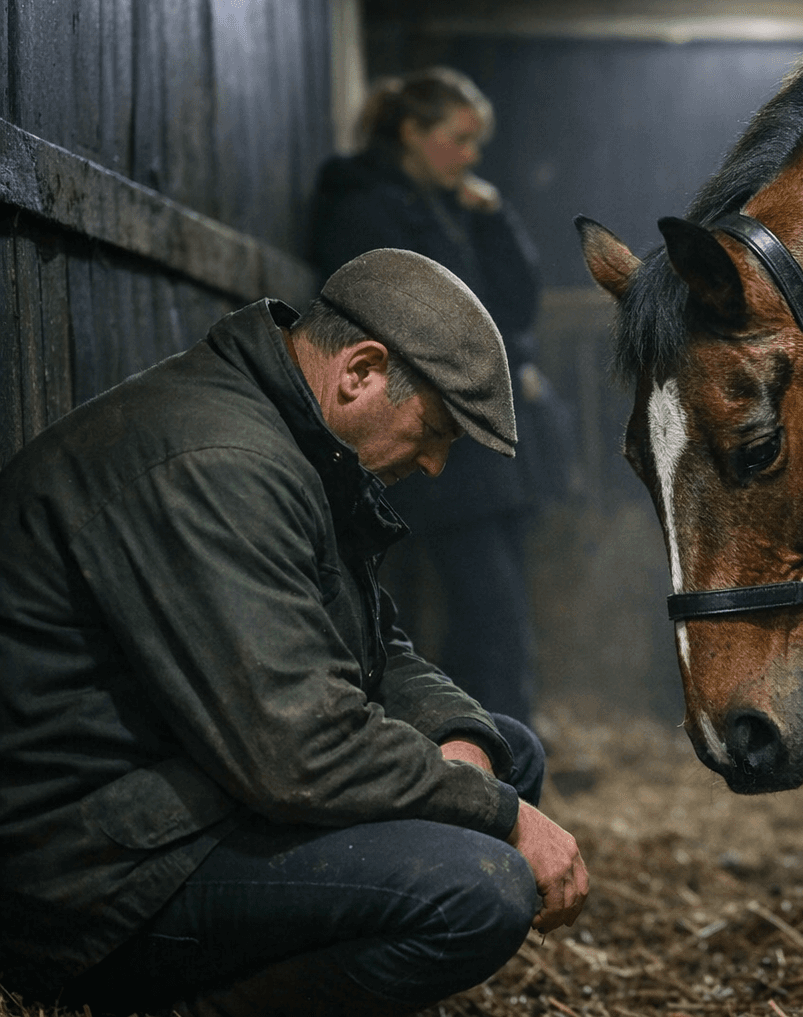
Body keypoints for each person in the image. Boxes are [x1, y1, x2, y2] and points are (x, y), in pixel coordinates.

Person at [0, 249, 589, 1017]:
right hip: (85, 873)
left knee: (507, 749)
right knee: (479, 893)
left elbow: (379, 651)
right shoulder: (222, 464)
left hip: (180, 792)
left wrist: (459, 740)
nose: (439, 466)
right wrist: (497, 812)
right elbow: (299, 752)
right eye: (437, 432)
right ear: (362, 371)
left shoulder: (295, 444)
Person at [310, 66, 572, 724]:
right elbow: (405, 324)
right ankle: (495, 747)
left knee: (493, 608)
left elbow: (517, 305)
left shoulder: (449, 212)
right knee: (487, 611)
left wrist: (494, 220)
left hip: (473, 440)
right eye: (457, 138)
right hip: (429, 433)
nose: (469, 156)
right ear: (411, 133)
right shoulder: (366, 210)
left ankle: (494, 739)